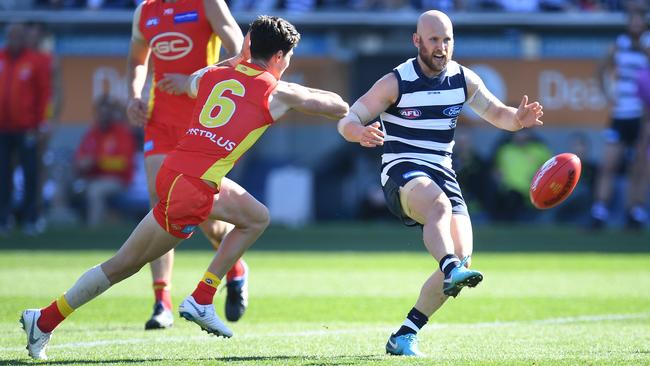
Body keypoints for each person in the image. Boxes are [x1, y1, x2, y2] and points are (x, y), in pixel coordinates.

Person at [21, 15, 348, 360]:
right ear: (281, 57)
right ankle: (44, 319)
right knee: (123, 264)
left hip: (175, 170)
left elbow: (193, 80)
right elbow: (338, 106)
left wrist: (236, 61)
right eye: (290, 56)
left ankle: (205, 295)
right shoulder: (278, 91)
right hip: (192, 188)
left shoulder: (214, 74)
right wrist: (300, 91)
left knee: (256, 216)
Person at [337, 10, 543, 356]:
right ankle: (449, 267)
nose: (441, 47)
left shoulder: (463, 79)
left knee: (463, 256)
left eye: (447, 40)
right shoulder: (396, 81)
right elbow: (350, 117)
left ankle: (406, 332)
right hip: (401, 172)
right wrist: (356, 131)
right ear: (417, 41)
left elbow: (498, 114)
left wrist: (517, 120)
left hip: (442, 174)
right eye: (434, 40)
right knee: (439, 210)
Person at [126, 0, 248, 329]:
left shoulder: (207, 3)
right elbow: (137, 61)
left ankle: (235, 268)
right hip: (160, 120)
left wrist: (194, 80)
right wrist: (134, 95)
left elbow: (238, 49)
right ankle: (161, 301)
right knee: (161, 203)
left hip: (201, 119)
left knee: (202, 211)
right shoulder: (145, 11)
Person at [591, 4, 650, 229]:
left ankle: (635, 211)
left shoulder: (647, 43)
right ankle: (599, 211)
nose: (635, 24)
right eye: (632, 19)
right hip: (621, 113)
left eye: (639, 19)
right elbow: (601, 69)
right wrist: (607, 94)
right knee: (608, 164)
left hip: (642, 114)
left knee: (639, 166)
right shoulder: (620, 44)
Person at [0, 22, 51, 236]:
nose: (15, 39)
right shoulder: (1, 58)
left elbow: (44, 94)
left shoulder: (36, 60)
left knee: (31, 173)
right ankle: (4, 218)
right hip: (2, 128)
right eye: (12, 35)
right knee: (3, 174)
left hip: (27, 128)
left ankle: (32, 218)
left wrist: (41, 124)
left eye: (19, 35)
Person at [75, 95, 137, 227]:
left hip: (117, 180)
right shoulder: (92, 132)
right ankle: (60, 227)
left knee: (95, 191)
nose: (103, 116)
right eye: (100, 112)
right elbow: (79, 157)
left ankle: (93, 230)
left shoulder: (121, 133)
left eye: (106, 112)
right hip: (92, 177)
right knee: (63, 184)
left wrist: (97, 162)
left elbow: (123, 163)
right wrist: (81, 164)